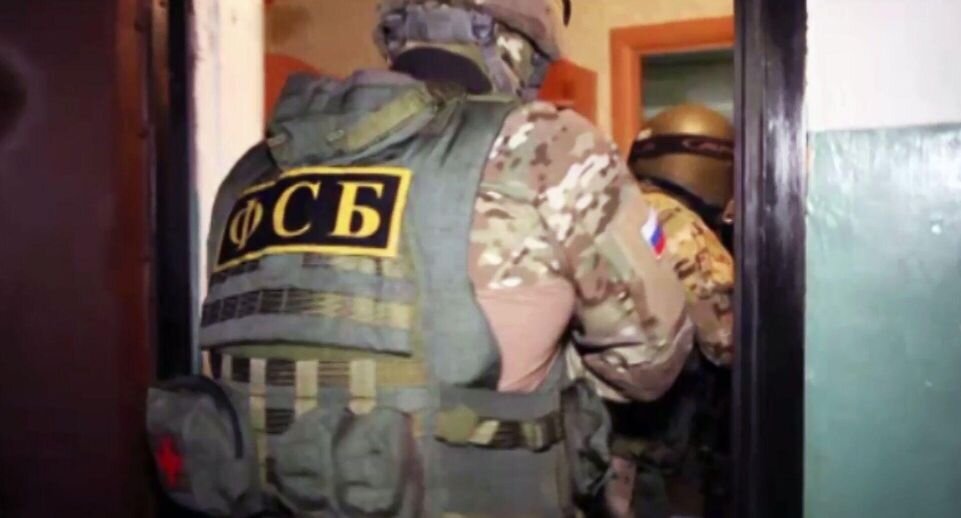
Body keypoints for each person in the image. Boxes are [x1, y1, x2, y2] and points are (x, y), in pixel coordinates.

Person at [146, 1, 694, 516]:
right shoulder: (548, 147)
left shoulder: (256, 169)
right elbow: (652, 362)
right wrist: (552, 349)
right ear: (524, 41)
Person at [603, 104, 736, 518]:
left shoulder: (610, 208)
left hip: (599, 440)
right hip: (653, 456)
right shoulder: (681, 226)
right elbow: (727, 344)